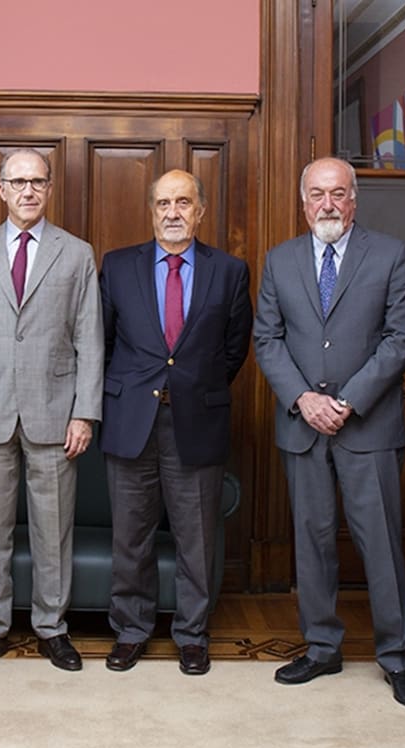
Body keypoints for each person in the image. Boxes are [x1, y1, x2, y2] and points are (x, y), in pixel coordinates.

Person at [253, 156, 405, 707]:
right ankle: (322, 648)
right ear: (303, 201)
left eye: (338, 193)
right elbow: (267, 340)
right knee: (313, 541)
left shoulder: (392, 254)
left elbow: (401, 339)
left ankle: (397, 657)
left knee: (380, 545)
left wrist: (346, 401)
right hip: (303, 425)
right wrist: (304, 399)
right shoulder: (279, 261)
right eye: (317, 194)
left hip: (367, 425)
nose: (328, 204)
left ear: (355, 199)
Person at [0, 148, 104, 673]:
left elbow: (89, 338)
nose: (28, 191)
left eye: (37, 181)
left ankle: (51, 628)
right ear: (1, 190)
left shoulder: (76, 254)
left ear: (50, 189)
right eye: (18, 182)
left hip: (55, 413)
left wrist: (84, 413)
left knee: (52, 529)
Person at [98, 170, 252, 675]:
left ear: (200, 211)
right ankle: (131, 630)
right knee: (131, 535)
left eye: (183, 202)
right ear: (151, 210)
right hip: (131, 420)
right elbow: (102, 341)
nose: (172, 212)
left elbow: (233, 349)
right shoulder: (118, 267)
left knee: (196, 538)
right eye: (163, 202)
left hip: (196, 419)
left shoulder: (229, 271)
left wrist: (191, 387)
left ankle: (192, 635)